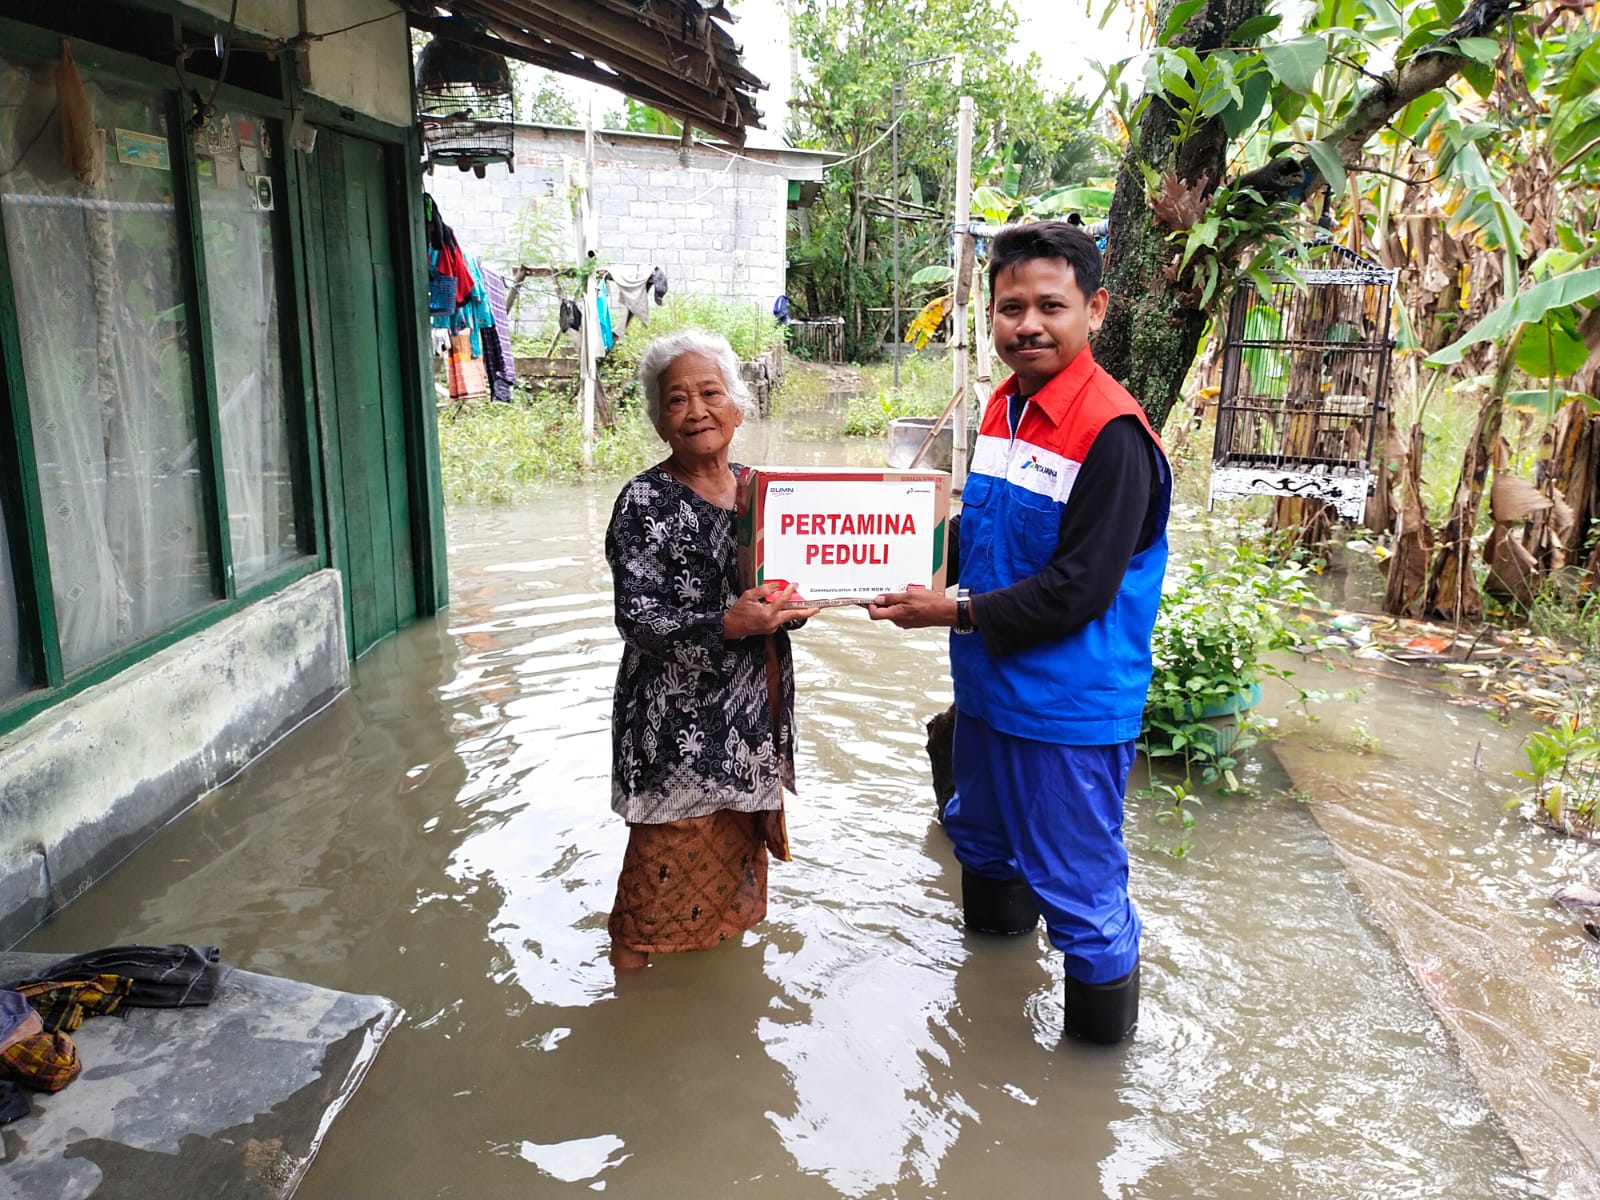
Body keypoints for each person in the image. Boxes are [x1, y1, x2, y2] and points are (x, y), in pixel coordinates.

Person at [867, 221, 1171, 1044]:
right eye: (1010, 307)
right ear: (990, 315)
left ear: (1094, 310)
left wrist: (950, 609)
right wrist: (885, 548)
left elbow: (1078, 590)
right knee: (984, 845)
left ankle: (1091, 1087)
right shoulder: (1005, 406)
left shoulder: (1113, 435)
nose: (1028, 324)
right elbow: (983, 534)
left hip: (1065, 711)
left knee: (1082, 894)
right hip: (990, 694)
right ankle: (986, 1016)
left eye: (1050, 305)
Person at [604, 330, 819, 969]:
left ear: (738, 405)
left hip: (751, 719)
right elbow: (637, 617)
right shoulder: (642, 502)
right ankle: (631, 1010)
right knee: (655, 876)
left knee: (731, 862)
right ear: (659, 420)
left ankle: (716, 989)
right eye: (677, 400)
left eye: (709, 393)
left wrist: (793, 608)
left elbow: (791, 584)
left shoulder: (768, 491)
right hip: (676, 730)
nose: (696, 410)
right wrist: (727, 623)